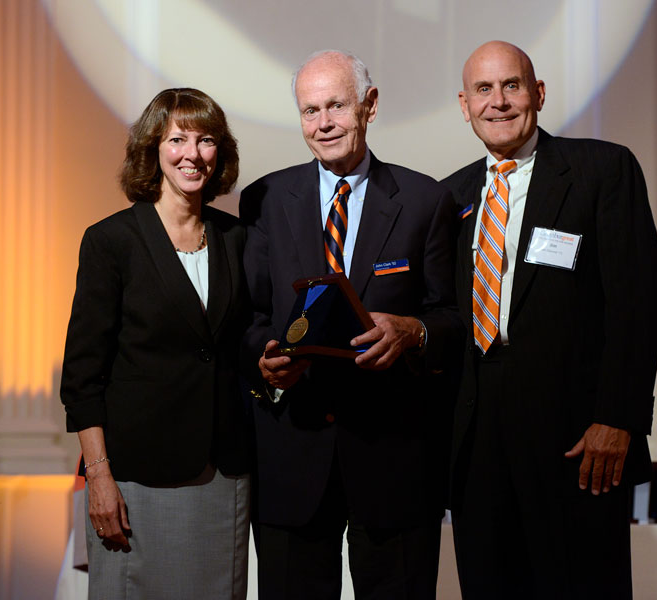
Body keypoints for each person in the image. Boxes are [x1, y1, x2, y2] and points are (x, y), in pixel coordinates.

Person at [442, 41, 657, 599]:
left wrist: (619, 416)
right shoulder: (451, 197)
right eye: (483, 90)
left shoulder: (602, 169)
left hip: (577, 438)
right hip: (477, 440)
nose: (498, 102)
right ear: (464, 105)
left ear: (537, 94)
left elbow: (636, 303)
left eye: (511, 86)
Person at [240, 50, 464, 599]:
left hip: (394, 457)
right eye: (310, 110)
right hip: (292, 455)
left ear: (369, 105)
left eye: (336, 105)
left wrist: (413, 331)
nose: (323, 124)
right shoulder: (264, 199)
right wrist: (264, 357)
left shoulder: (425, 200)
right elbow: (248, 315)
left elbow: (454, 319)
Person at [60, 88, 253, 600]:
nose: (193, 153)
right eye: (178, 139)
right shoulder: (111, 241)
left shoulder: (238, 237)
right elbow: (82, 376)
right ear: (153, 148)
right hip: (134, 479)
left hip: (222, 475)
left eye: (206, 139)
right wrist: (99, 477)